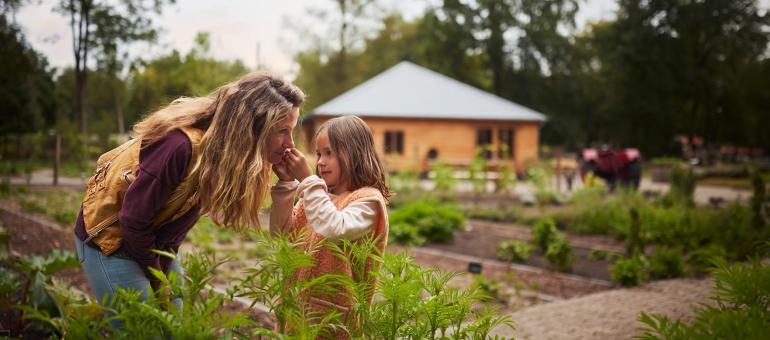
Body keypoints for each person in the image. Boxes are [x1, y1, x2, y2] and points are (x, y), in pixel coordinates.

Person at [73, 72, 304, 321]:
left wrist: (164, 273)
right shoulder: (179, 147)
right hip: (110, 240)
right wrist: (158, 279)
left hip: (153, 241)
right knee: (145, 330)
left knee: (175, 326)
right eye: (282, 130)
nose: (290, 144)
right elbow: (132, 220)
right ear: (250, 127)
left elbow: (178, 220)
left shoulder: (222, 155)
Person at [269, 115, 391, 336]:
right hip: (296, 307)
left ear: (355, 153)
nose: (320, 162)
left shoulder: (368, 201)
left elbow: (335, 227)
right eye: (318, 154)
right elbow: (281, 234)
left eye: (329, 153)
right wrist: (287, 184)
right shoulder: (318, 197)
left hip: (333, 318)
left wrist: (308, 180)